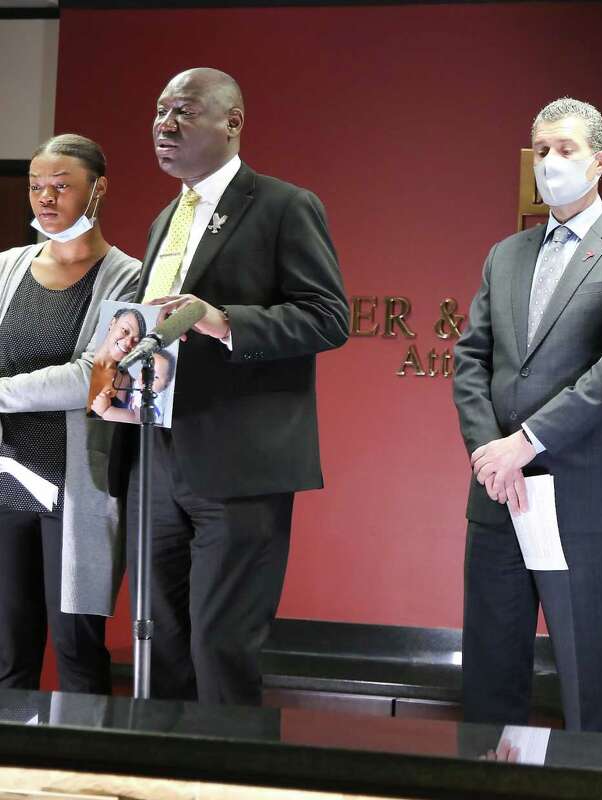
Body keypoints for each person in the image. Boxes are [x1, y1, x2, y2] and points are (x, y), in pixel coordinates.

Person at [107, 68, 350, 705]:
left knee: (220, 649)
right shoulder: (166, 218)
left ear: (232, 122)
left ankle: (231, 762)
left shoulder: (283, 206)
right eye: (159, 111)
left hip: (239, 464)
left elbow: (328, 318)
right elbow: (160, 325)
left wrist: (222, 321)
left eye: (183, 112)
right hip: (155, 456)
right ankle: (162, 762)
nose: (164, 125)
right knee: (157, 644)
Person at [453, 97, 602, 732]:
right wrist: (489, 454)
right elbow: (472, 360)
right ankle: (488, 778)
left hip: (581, 496)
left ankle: (592, 778)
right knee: (489, 675)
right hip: (498, 492)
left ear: (600, 161)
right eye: (542, 150)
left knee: (588, 676)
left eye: (565, 150)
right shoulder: (505, 254)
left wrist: (526, 440)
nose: (550, 162)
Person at [0, 133, 141, 694]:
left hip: (76, 488)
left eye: (61, 186)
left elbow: (93, 376)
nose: (45, 198)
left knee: (77, 652)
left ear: (98, 189)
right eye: (36, 186)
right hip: (5, 482)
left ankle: (86, 753)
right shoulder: (7, 267)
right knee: (8, 656)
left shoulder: (128, 277)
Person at [86, 307, 147, 418]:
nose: (128, 343)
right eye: (125, 331)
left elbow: (141, 419)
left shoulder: (128, 381)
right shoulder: (83, 366)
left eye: (135, 341)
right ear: (112, 323)